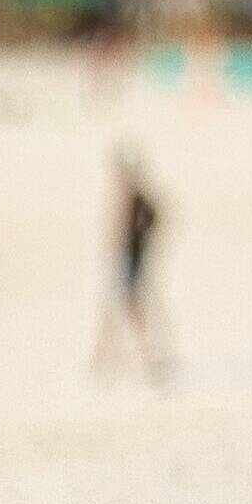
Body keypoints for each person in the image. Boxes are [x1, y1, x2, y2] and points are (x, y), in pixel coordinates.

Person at [92, 150, 173, 382]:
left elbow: (153, 221)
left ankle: (145, 355)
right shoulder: (134, 196)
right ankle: (103, 357)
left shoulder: (138, 198)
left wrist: (139, 243)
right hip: (127, 259)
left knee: (130, 307)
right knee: (118, 307)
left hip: (131, 260)